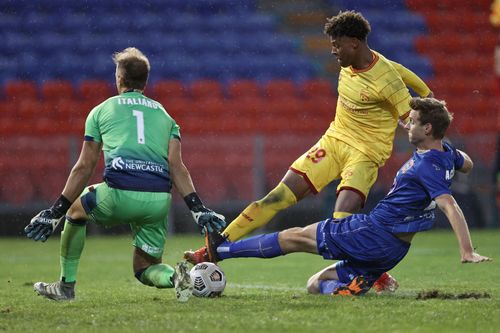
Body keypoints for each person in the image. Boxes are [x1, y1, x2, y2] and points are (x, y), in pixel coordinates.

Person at [184, 10, 433, 293]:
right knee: (277, 196)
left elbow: (408, 110)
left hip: (364, 155)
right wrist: (426, 90)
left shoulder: (385, 80)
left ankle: (375, 274)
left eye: (337, 45)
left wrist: (428, 113)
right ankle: (214, 248)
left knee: (341, 222)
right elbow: (405, 72)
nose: (333, 51)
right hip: (333, 142)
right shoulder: (357, 62)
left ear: (354, 43)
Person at [202, 97, 492, 296]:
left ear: (428, 128)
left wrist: (466, 251)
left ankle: (222, 252)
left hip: (373, 233)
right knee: (315, 284)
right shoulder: (444, 154)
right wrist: (453, 155)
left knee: (294, 236)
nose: (406, 125)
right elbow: (467, 163)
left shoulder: (428, 163)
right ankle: (345, 291)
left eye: (413, 121)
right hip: (391, 252)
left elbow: (449, 205)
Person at [24, 47, 226, 302]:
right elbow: (177, 167)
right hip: (157, 201)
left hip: (118, 194)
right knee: (145, 268)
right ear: (145, 80)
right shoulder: (165, 115)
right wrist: (198, 208)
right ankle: (176, 277)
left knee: (75, 209)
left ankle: (66, 286)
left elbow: (85, 166)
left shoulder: (101, 110)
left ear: (119, 78)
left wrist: (55, 211)